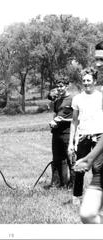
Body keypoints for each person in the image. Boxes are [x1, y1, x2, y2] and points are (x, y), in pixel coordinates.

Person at [72, 41, 103, 223]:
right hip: (89, 141)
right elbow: (75, 121)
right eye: (97, 59)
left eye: (101, 59)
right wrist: (90, 158)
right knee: (88, 215)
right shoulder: (79, 98)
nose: (98, 64)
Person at [68, 65, 103, 206]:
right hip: (82, 136)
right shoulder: (77, 99)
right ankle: (77, 196)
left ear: (94, 80)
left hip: (99, 136)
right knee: (79, 168)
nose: (86, 83)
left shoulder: (101, 97)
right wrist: (71, 143)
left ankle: (97, 199)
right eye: (84, 80)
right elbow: (74, 122)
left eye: (89, 80)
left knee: (98, 169)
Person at [48, 78, 73, 188]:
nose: (59, 88)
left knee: (71, 160)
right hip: (56, 133)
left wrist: (61, 120)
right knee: (57, 159)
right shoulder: (58, 101)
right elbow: (56, 114)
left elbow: (76, 118)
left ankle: (73, 186)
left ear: (67, 86)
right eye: (58, 86)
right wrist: (54, 121)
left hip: (68, 133)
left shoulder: (73, 99)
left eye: (61, 86)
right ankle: (58, 184)